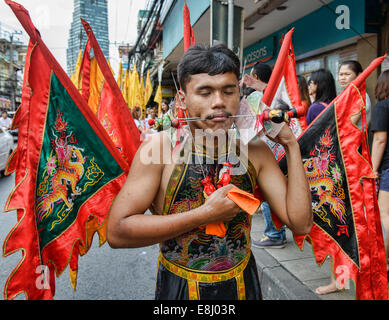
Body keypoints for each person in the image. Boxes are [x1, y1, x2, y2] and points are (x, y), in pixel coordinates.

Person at [106, 44, 312, 300]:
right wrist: (204, 214)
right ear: (182, 98)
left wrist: (292, 146)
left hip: (243, 286)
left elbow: (301, 223)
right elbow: (117, 231)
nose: (219, 102)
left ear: (240, 93)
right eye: (205, 92)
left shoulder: (255, 151)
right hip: (180, 290)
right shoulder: (160, 149)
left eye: (228, 91)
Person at [314, 61, 371, 295]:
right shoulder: (347, 97)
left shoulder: (358, 99)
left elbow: (343, 131)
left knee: (340, 228)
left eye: (348, 73)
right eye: (340, 73)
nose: (343, 77)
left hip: (347, 173)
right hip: (339, 172)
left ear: (358, 75)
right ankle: (340, 280)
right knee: (338, 227)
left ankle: (341, 281)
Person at [243, 62, 288, 249]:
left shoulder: (262, 98)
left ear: (257, 78)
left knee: (269, 190)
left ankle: (274, 233)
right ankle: (277, 231)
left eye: (251, 77)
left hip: (269, 148)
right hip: (276, 149)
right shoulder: (278, 96)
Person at [371, 70, 389, 275]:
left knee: (385, 214)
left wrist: (373, 169)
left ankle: (384, 263)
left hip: (387, 168)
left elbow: (380, 140)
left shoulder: (383, 106)